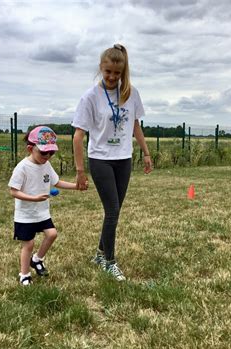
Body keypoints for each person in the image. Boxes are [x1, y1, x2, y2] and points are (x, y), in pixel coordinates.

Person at [72, 44, 153, 281]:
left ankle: (100, 254)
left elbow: (135, 126)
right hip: (100, 159)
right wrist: (80, 171)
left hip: (123, 159)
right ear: (101, 68)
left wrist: (146, 153)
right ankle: (109, 261)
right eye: (108, 72)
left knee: (114, 212)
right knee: (113, 210)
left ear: (123, 72)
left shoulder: (131, 93)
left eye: (117, 73)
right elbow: (78, 136)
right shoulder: (90, 97)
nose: (112, 77)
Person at [8, 126, 78, 286]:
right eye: (43, 152)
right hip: (25, 214)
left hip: (42, 212)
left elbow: (57, 182)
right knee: (29, 244)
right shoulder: (22, 167)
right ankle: (24, 274)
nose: (47, 156)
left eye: (51, 153)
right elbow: (13, 191)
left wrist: (76, 186)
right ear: (30, 148)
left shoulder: (46, 165)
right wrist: (33, 198)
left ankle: (37, 259)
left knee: (52, 234)